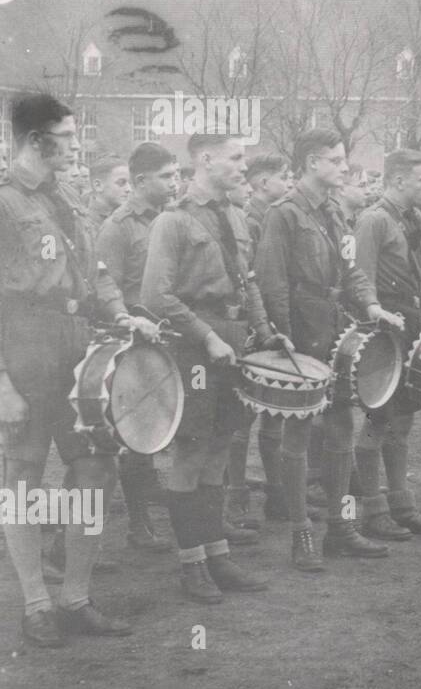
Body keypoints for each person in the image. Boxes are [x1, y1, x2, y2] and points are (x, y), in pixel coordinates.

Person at [0, 94, 160, 646]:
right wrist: (1, 384)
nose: (76, 145)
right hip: (22, 349)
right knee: (21, 480)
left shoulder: (69, 197)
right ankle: (36, 604)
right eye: (67, 137)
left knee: (96, 470)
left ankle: (76, 597)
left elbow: (95, 270)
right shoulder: (2, 201)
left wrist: (121, 315)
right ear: (36, 140)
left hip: (77, 351)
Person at [141, 135, 287, 603]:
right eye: (236, 158)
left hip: (234, 340)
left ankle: (217, 555)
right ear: (205, 160)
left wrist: (265, 331)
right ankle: (192, 564)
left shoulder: (235, 215)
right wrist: (207, 336)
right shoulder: (173, 220)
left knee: (221, 447)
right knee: (191, 452)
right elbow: (156, 297)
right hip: (193, 345)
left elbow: (247, 281)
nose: (244, 167)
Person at [255, 128, 403, 570]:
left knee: (340, 429)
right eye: (337, 161)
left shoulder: (337, 213)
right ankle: (302, 535)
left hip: (336, 330)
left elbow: (353, 268)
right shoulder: (282, 215)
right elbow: (272, 281)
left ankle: (341, 528)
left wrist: (373, 306)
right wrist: (285, 340)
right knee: (298, 432)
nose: (344, 168)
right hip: (301, 331)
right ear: (312, 163)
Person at [352, 148, 421, 537]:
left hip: (409, 324)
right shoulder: (374, 221)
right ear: (398, 181)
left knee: (402, 420)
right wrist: (374, 313)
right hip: (383, 332)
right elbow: (360, 277)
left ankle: (401, 504)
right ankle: (372, 510)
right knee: (375, 420)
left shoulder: (414, 219)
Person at [96, 140, 180, 552]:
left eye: (176, 174)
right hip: (132, 339)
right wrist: (129, 322)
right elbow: (104, 283)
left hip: (169, 333)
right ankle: (138, 524)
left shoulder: (172, 218)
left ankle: (164, 507)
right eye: (166, 176)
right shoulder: (119, 226)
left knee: (167, 424)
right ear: (140, 180)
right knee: (135, 433)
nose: (174, 183)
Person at [230, 153, 292, 523]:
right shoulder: (250, 220)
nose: (288, 183)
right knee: (242, 417)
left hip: (270, 324)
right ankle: (236, 496)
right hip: (253, 326)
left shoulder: (274, 217)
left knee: (274, 411)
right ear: (262, 183)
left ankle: (277, 491)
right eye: (283, 177)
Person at [86, 153, 130, 236]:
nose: (128, 189)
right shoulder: (86, 223)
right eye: (121, 183)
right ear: (98, 185)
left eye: (129, 182)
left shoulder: (127, 218)